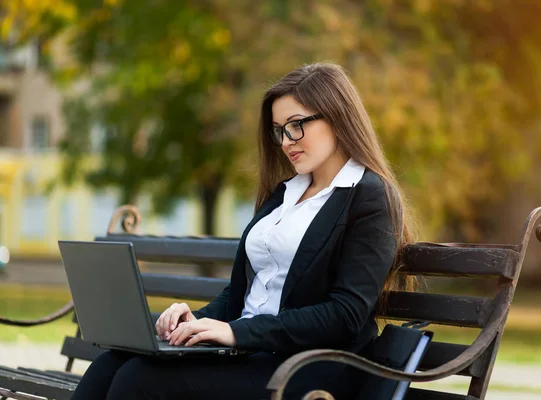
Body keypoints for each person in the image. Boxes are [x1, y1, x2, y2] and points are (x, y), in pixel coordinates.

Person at [72, 62, 415, 400]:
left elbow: (346, 314)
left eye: (296, 126)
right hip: (253, 352)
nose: (285, 141)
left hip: (312, 368)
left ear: (337, 117)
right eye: (279, 130)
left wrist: (237, 332)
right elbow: (246, 296)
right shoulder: (285, 193)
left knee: (140, 379)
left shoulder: (370, 196)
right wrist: (195, 320)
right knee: (110, 364)